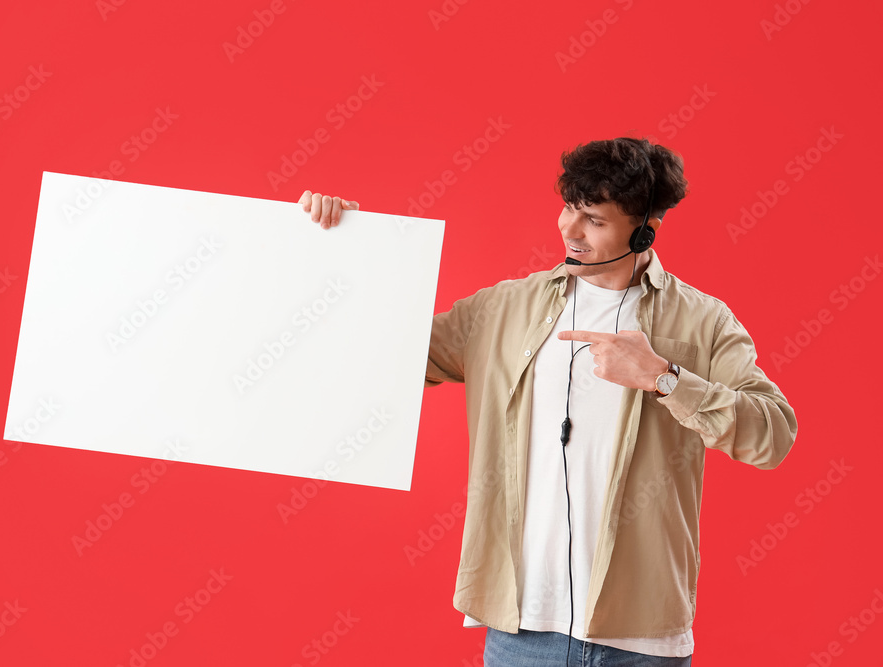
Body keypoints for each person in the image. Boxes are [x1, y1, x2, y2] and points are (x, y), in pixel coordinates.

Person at [298, 137, 797, 666]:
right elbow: (378, 362)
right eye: (568, 209)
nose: (569, 230)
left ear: (644, 228)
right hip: (522, 632)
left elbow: (773, 436)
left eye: (595, 221)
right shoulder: (503, 309)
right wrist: (345, 250)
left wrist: (665, 378)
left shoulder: (704, 321)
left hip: (641, 638)